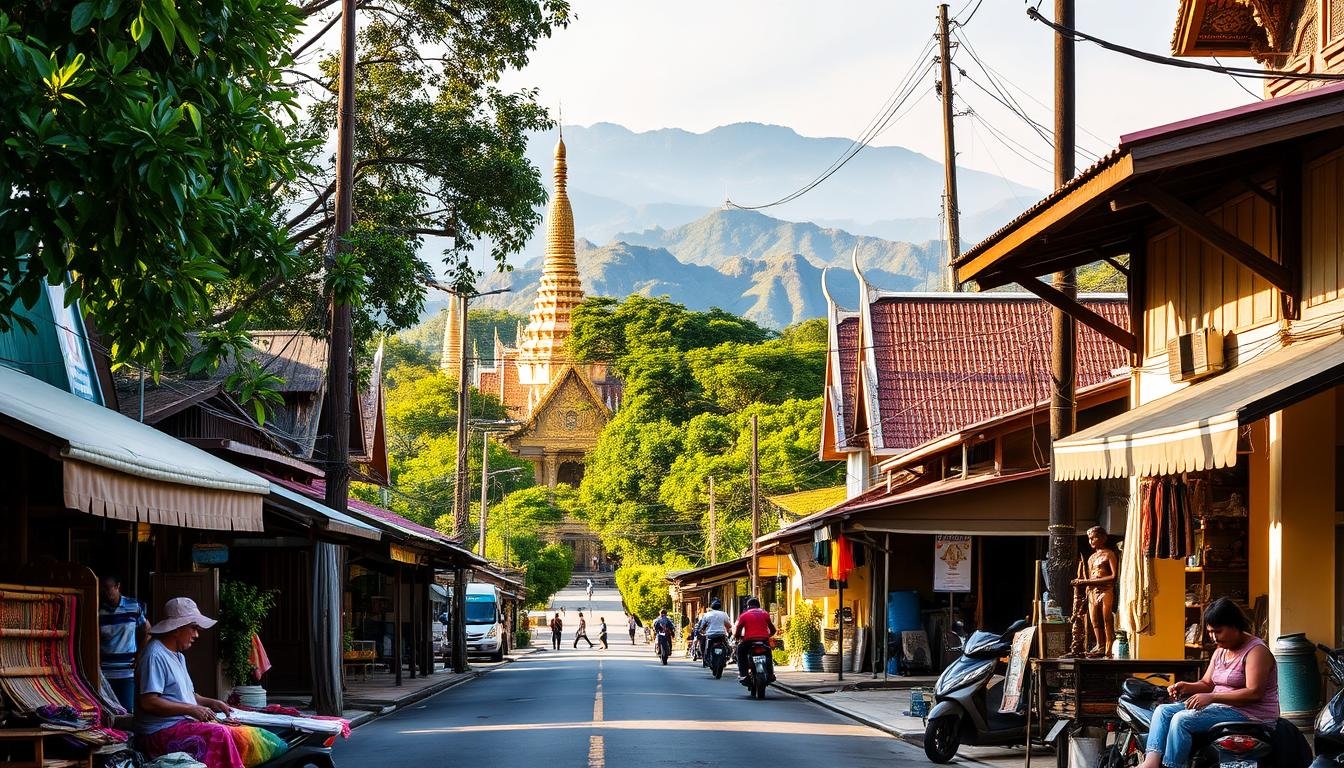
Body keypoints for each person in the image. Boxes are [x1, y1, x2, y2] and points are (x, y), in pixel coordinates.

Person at [136, 598, 288, 768]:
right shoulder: (155, 655)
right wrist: (191, 709)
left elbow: (188, 695)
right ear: (177, 629)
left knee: (241, 733)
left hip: (181, 723)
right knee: (220, 733)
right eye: (193, 628)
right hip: (159, 732)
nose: (196, 635)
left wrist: (213, 703)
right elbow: (149, 702)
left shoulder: (178, 656)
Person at [1138, 598, 1279, 768]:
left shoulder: (1256, 651)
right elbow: (1207, 682)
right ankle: (1151, 763)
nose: (1213, 637)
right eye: (1210, 632)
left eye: (1218, 631)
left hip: (1250, 714)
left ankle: (1172, 766)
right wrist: (1186, 686)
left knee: (1182, 720)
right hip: (1220, 708)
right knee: (1162, 711)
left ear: (1235, 626)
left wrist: (1212, 698)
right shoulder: (1221, 650)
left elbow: (1254, 692)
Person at [99, 575, 149, 712]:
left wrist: (140, 656)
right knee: (107, 711)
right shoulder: (99, 611)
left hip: (127, 671)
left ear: (117, 587)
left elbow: (147, 631)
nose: (107, 592)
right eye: (104, 589)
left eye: (109, 588)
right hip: (105, 672)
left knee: (127, 710)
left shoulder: (133, 606)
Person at [1072, 525, 1119, 656]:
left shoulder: (1109, 554)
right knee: (1094, 620)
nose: (1091, 541)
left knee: (1107, 618)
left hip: (1105, 590)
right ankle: (1100, 645)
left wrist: (1087, 582)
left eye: (1094, 538)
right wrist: (1084, 584)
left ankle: (1109, 647)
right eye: (1089, 538)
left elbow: (1113, 576)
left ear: (1103, 538)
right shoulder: (1091, 558)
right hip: (1092, 591)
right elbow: (1089, 576)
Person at [734, 596, 777, 683]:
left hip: (748, 641)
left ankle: (743, 674)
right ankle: (771, 674)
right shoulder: (765, 614)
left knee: (740, 651)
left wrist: (738, 637)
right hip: (763, 640)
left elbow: (738, 629)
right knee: (768, 654)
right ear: (759, 606)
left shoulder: (744, 615)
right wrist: (768, 635)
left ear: (748, 606)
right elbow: (773, 629)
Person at [698, 599, 732, 668]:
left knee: (707, 649)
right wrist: (728, 631)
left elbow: (702, 626)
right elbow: (728, 626)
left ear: (711, 607)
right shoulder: (724, 614)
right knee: (727, 647)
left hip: (710, 635)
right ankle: (727, 657)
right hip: (721, 634)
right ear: (719, 607)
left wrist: (702, 631)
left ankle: (707, 660)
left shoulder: (707, 615)